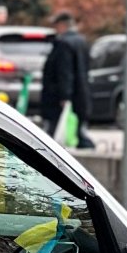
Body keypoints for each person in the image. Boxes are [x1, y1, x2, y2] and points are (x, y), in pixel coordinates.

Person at [40, 10, 95, 149]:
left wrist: (65, 96)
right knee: (78, 128)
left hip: (61, 96)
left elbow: (65, 72)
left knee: (55, 132)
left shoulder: (63, 44)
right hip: (81, 92)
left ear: (62, 25)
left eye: (56, 26)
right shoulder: (82, 41)